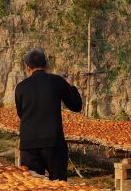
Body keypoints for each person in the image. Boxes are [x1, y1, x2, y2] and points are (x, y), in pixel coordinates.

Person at [14, 49, 82, 181]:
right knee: (58, 186)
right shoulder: (56, 81)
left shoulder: (21, 87)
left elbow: (21, 114)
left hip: (29, 144)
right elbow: (76, 105)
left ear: (27, 67)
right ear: (46, 65)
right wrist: (71, 85)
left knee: (33, 187)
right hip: (53, 143)